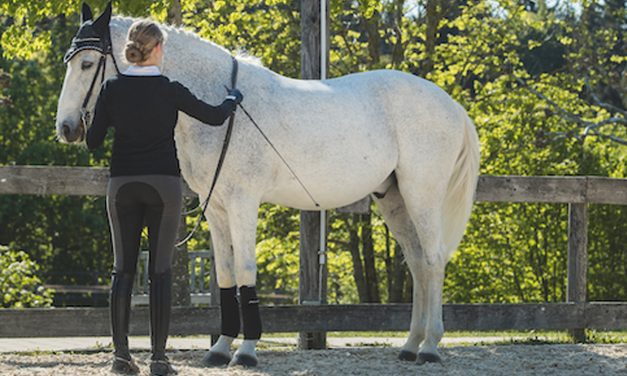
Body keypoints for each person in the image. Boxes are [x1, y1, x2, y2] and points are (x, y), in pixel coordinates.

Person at [86, 19, 243, 376]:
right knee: (160, 271)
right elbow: (215, 116)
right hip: (163, 186)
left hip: (122, 185)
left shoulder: (111, 89)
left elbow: (93, 141)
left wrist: (97, 115)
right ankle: (159, 359)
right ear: (156, 48)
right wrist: (234, 98)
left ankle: (121, 358)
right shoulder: (170, 89)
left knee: (122, 271)